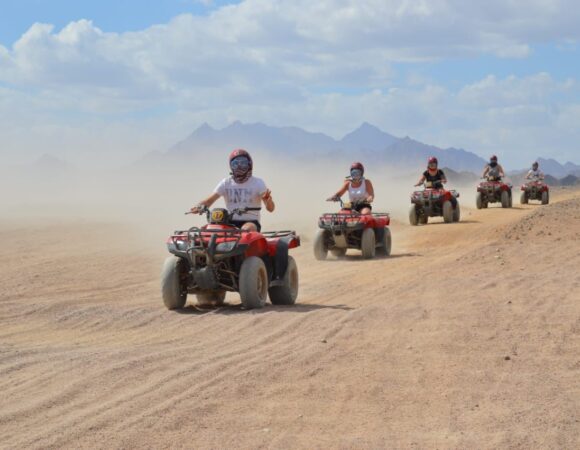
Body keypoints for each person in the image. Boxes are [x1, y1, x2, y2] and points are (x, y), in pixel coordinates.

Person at [190, 149, 274, 231]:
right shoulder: (226, 183)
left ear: (249, 164)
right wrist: (198, 206)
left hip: (251, 222)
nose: (239, 166)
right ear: (231, 166)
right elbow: (209, 201)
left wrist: (268, 201)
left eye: (243, 163)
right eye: (235, 164)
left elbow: (271, 209)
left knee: (246, 229)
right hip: (228, 222)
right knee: (209, 228)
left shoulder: (258, 183)